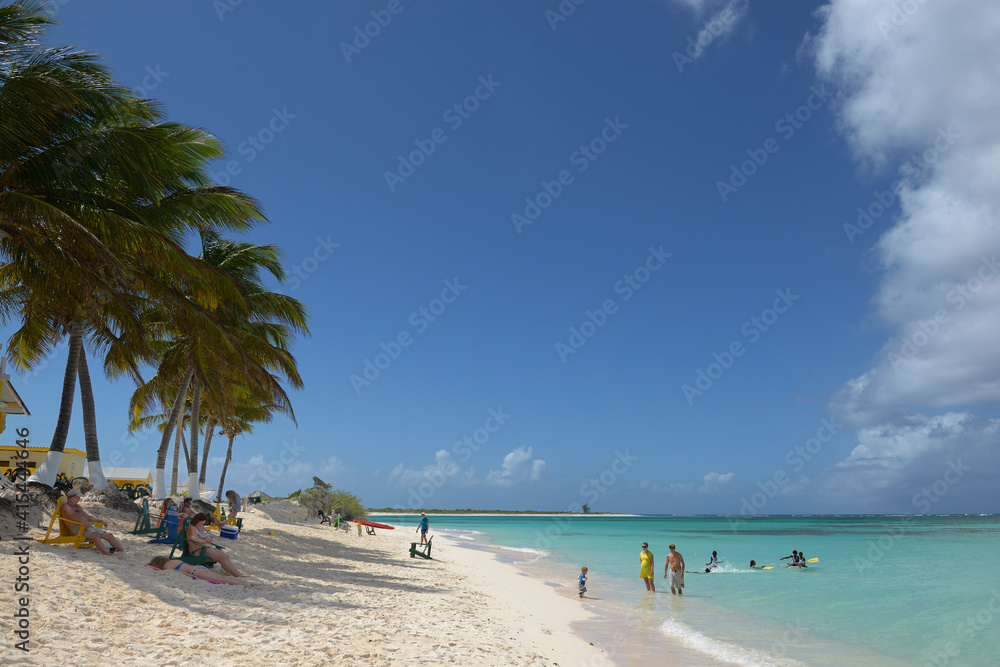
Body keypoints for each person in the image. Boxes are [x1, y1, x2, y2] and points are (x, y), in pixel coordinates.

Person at [60, 489, 127, 556]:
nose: (79, 498)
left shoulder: (77, 506)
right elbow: (70, 517)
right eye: (78, 497)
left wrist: (100, 521)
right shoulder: (66, 507)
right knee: (96, 536)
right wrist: (82, 521)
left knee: (109, 535)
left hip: (86, 526)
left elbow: (88, 517)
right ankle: (107, 553)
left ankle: (122, 550)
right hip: (77, 528)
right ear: (73, 497)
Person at [186, 513, 246, 577]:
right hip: (198, 550)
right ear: (197, 521)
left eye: (203, 523)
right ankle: (236, 574)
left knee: (225, 556)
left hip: (205, 548)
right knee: (222, 557)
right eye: (201, 523)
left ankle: (238, 573)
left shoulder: (200, 528)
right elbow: (193, 538)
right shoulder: (192, 527)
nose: (202, 524)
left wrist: (209, 539)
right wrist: (205, 541)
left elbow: (205, 537)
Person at [146, 555, 251, 586]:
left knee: (221, 579)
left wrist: (190, 577)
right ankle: (245, 583)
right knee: (221, 578)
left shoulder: (166, 567)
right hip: (200, 567)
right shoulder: (174, 560)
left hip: (195, 572)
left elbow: (178, 572)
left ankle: (246, 584)